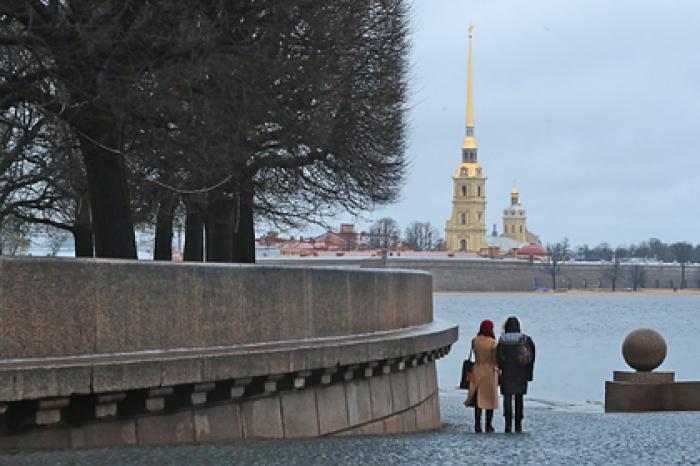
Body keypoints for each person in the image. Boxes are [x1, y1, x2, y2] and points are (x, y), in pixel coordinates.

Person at [496, 316, 536, 433]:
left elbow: (499, 357)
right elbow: (532, 357)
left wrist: (502, 368)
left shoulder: (503, 340)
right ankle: (518, 424)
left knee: (507, 398)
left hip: (507, 373)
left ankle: (508, 424)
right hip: (521, 372)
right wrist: (529, 374)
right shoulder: (526, 339)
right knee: (519, 398)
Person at [465, 319, 499, 433]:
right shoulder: (493, 342)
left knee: (478, 401)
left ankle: (477, 424)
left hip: (477, 370)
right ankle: (489, 425)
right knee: (490, 401)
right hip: (490, 372)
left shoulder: (474, 341)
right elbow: (495, 359)